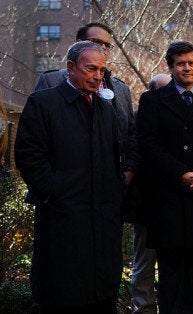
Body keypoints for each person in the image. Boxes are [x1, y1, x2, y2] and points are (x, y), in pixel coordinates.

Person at [15, 41, 122, 313]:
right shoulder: (43, 103)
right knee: (64, 296)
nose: (98, 76)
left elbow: (112, 161)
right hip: (63, 223)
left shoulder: (106, 109)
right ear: (71, 68)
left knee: (100, 297)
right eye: (91, 69)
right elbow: (29, 158)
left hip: (102, 224)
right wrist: (56, 193)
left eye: (102, 70)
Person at [136, 41, 193, 314]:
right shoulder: (152, 101)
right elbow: (149, 147)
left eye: (191, 63)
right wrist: (181, 174)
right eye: (180, 63)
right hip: (169, 201)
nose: (186, 68)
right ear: (171, 66)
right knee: (171, 278)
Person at [31, 22, 139, 221]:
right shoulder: (51, 82)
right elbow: (34, 143)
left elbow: (131, 133)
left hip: (109, 194)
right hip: (64, 197)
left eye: (106, 45)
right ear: (78, 44)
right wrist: (52, 186)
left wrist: (129, 170)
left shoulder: (121, 89)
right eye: (95, 42)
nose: (102, 48)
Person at [130, 73, 171, 314]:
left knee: (171, 262)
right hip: (146, 204)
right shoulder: (138, 119)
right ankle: (144, 307)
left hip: (174, 203)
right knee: (145, 260)